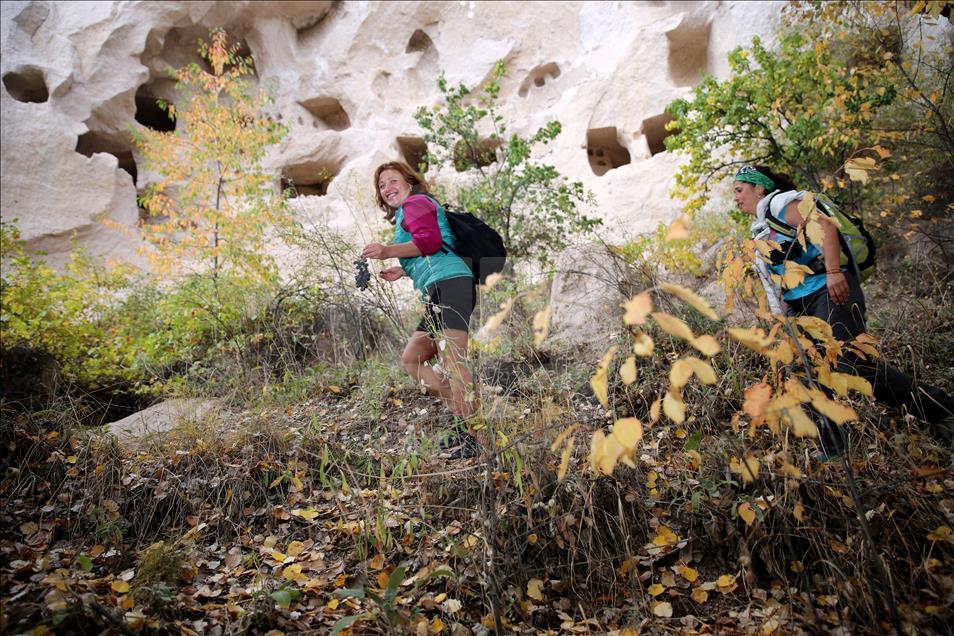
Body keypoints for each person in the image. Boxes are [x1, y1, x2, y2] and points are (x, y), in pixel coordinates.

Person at [733, 164, 953, 446]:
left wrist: (835, 272)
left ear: (759, 188)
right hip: (800, 308)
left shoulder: (779, 204)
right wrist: (785, 323)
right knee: (806, 375)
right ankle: (833, 452)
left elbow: (824, 226)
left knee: (851, 362)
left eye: (740, 190)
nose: (736, 198)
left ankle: (944, 410)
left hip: (829, 289)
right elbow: (776, 285)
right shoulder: (759, 232)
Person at [362, 161, 480, 459]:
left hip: (451, 285)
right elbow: (431, 248)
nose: (387, 188)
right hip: (441, 288)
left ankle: (473, 435)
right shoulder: (409, 211)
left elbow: (429, 242)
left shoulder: (415, 202)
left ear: (409, 182)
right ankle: (461, 415)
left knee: (453, 361)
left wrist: (388, 250)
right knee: (412, 358)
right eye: (381, 185)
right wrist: (403, 270)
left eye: (392, 181)